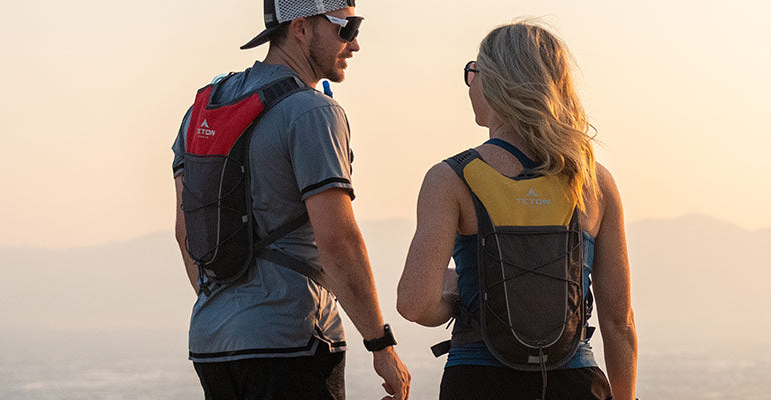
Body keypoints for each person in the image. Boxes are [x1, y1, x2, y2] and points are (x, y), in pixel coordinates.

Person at [170, 1, 406, 399]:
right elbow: (338, 241)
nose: (355, 45)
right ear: (300, 28)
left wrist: (237, 308)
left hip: (213, 341)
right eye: (345, 29)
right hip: (293, 339)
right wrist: (381, 344)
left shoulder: (204, 107)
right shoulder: (311, 112)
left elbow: (185, 234)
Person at [393, 21, 638, 400]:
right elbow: (619, 322)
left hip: (478, 380)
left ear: (493, 82)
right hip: (575, 381)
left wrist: (460, 291)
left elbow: (414, 304)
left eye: (472, 72)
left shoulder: (452, 178)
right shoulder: (593, 181)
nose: (470, 83)